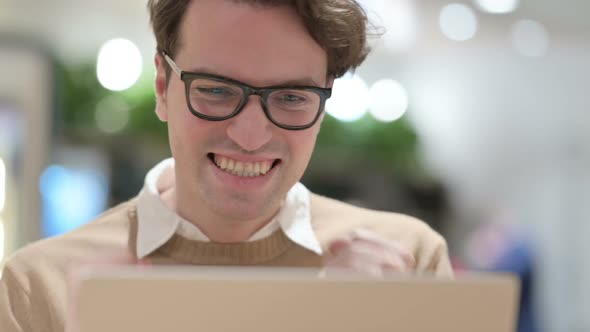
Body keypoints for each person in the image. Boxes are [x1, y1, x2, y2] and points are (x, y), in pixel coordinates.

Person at [0, 0, 453, 331]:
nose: (250, 136)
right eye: (216, 90)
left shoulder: (407, 265)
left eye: (292, 97)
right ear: (163, 86)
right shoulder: (40, 287)